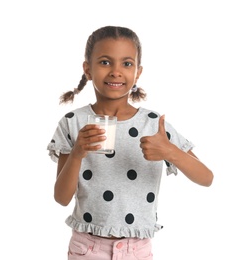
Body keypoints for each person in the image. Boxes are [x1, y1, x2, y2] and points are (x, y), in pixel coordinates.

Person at [47, 25, 214, 260]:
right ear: (88, 69)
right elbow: (61, 198)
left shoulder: (154, 124)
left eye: (126, 64)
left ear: (138, 72)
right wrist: (77, 153)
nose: (116, 72)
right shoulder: (72, 123)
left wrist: (170, 151)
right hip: (87, 248)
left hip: (137, 250)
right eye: (105, 62)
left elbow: (207, 178)